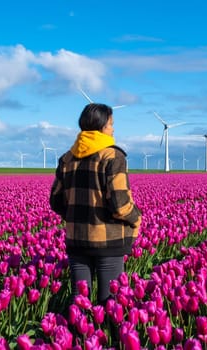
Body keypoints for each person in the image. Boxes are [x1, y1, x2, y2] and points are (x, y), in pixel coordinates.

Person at [49, 103, 141, 306]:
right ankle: (110, 338)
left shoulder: (67, 158)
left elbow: (55, 201)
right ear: (101, 127)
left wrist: (76, 216)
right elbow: (120, 203)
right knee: (110, 302)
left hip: (76, 240)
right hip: (108, 241)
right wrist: (136, 218)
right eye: (111, 124)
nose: (113, 129)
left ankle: (73, 337)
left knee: (79, 300)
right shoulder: (113, 156)